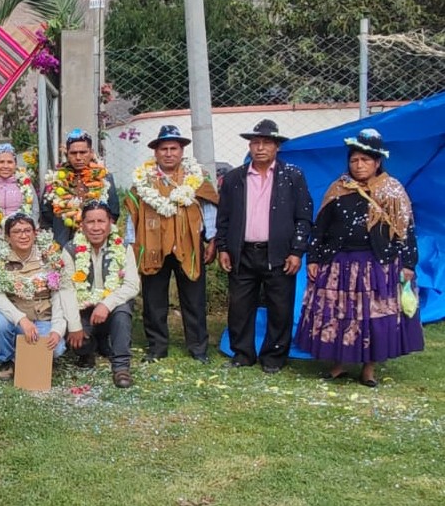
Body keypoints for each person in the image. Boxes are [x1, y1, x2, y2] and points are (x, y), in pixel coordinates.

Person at [296, 128, 423, 387]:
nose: (359, 165)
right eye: (354, 160)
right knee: (340, 314)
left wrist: (408, 264)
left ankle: (368, 370)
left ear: (377, 162)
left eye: (365, 160)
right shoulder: (338, 189)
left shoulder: (392, 191)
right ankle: (338, 366)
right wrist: (314, 259)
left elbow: (406, 230)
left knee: (371, 316)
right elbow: (321, 227)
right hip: (339, 264)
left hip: (377, 264)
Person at [216, 120, 313, 374]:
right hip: (243, 252)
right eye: (256, 143)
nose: (260, 148)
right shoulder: (234, 178)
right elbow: (223, 217)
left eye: (266, 143)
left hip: (279, 253)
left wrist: (297, 251)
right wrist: (223, 247)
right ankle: (243, 353)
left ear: (277, 147)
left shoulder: (292, 176)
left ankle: (274, 356)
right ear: (249, 146)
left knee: (280, 306)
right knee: (239, 306)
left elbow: (304, 216)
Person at [124, 125, 219, 363]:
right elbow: (131, 216)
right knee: (154, 299)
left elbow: (208, 210)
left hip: (189, 244)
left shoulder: (196, 178)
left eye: (173, 149)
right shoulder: (142, 181)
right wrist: (130, 246)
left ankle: (198, 348)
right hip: (152, 244)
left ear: (181, 151)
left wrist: (212, 240)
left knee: (194, 298)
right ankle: (157, 347)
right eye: (163, 149)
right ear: (155, 153)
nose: (168, 153)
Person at [0, 213, 79, 381]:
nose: (23, 235)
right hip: (16, 317)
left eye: (27, 230)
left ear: (35, 233)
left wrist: (57, 330)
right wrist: (21, 319)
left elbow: (59, 295)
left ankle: (26, 356)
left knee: (56, 349)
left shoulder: (50, 256)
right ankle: (6, 361)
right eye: (17, 232)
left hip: (44, 318)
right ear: (8, 237)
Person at [61, 201, 140, 388]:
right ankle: (92, 348)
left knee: (122, 311)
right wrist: (74, 326)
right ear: (82, 225)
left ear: (110, 223)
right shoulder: (70, 249)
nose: (96, 227)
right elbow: (67, 290)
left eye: (101, 221)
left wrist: (106, 304)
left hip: (112, 307)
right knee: (79, 344)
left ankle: (121, 367)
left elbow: (131, 285)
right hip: (84, 308)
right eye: (90, 222)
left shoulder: (123, 247)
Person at [42, 129, 120, 247]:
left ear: (91, 152)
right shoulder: (56, 179)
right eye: (73, 153)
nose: (78, 157)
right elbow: (46, 213)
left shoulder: (104, 177)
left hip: (97, 243)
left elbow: (113, 212)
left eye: (83, 152)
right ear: (67, 153)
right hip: (63, 243)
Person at [0, 143, 39, 245]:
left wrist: (28, 233)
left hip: (23, 242)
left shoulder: (25, 183)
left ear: (15, 164)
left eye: (10, 162)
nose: (5, 166)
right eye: (1, 162)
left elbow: (35, 210)